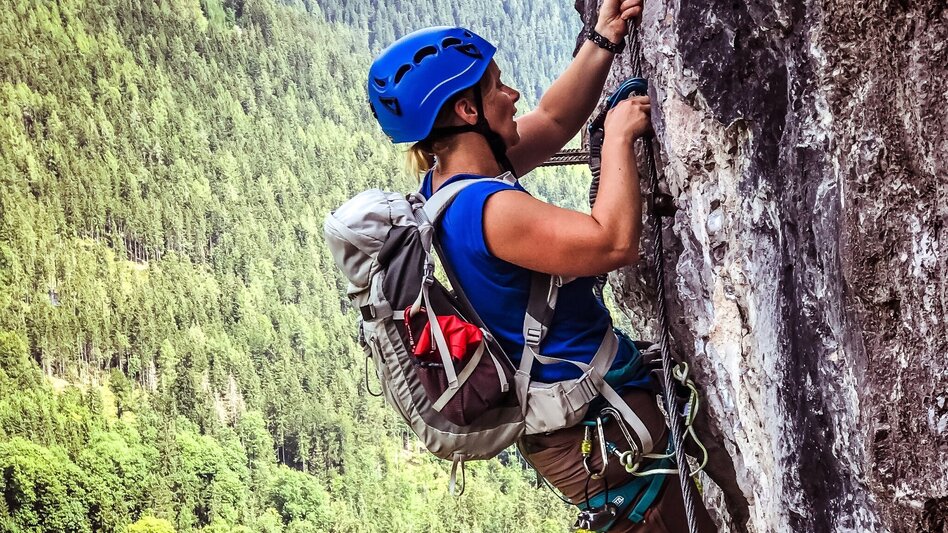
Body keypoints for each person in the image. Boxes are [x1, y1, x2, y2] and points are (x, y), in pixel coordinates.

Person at [367, 1, 715, 531]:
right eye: (497, 88)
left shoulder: (447, 186)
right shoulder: (489, 211)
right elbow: (613, 244)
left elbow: (553, 120)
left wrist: (603, 40)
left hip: (589, 420)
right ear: (467, 112)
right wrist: (618, 137)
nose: (513, 96)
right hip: (596, 425)